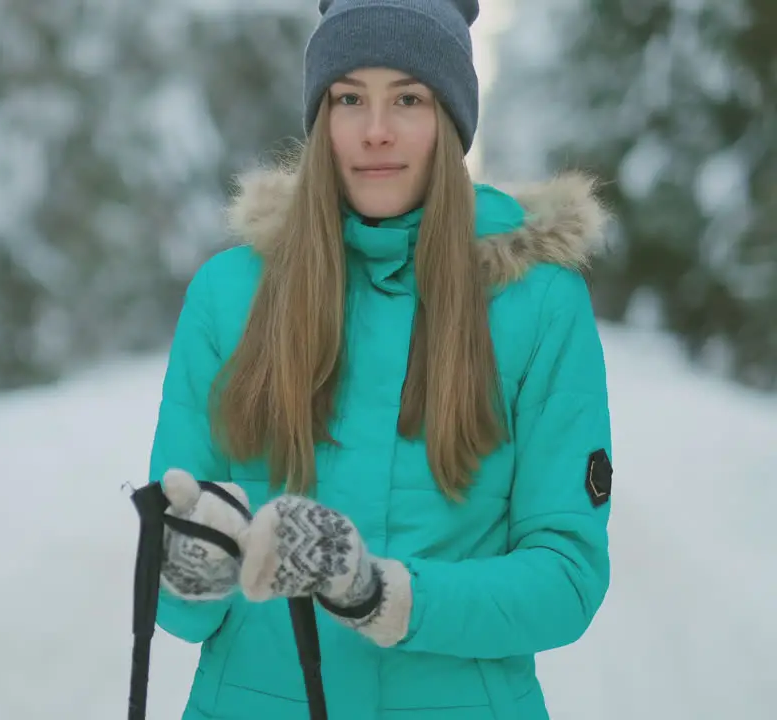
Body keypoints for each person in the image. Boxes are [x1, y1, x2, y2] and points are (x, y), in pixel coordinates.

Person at [146, 0, 615, 718]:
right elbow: (178, 614)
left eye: (408, 97)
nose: (375, 131)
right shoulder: (229, 294)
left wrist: (382, 592)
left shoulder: (538, 303)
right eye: (348, 97)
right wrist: (192, 568)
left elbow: (567, 578)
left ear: (451, 117)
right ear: (320, 115)